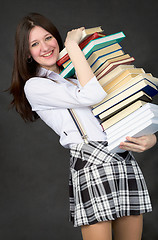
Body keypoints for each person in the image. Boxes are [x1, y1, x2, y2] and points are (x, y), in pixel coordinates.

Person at [9, 12, 157, 240]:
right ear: (27, 53)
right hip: (91, 163)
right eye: (35, 44)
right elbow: (92, 94)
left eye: (48, 38)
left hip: (123, 158)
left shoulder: (80, 73)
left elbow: (127, 109)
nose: (45, 47)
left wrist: (151, 137)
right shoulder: (35, 86)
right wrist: (72, 45)